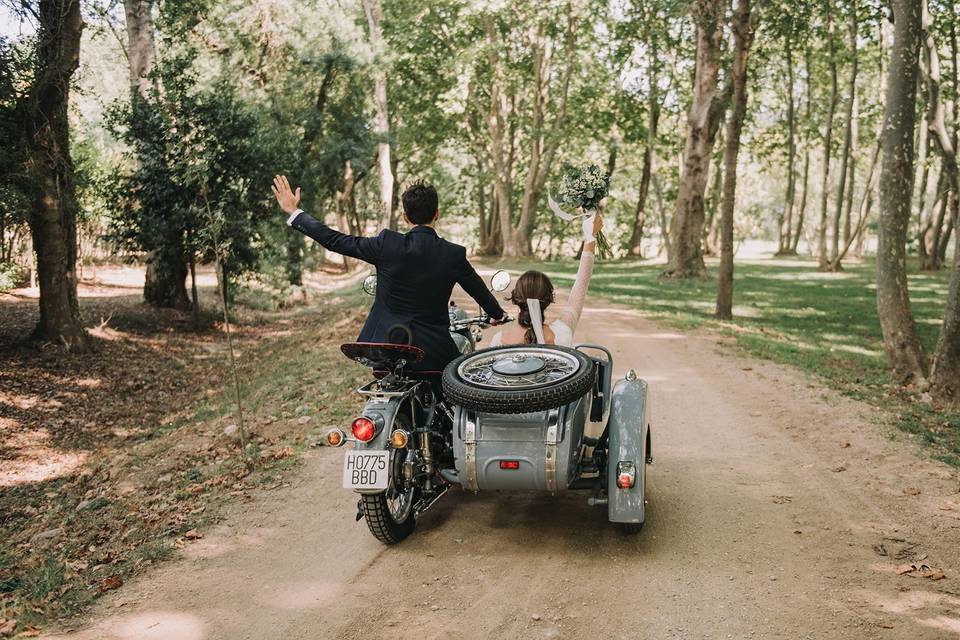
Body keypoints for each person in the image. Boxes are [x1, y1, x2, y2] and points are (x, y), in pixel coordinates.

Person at [271, 175, 505, 371]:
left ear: (405, 217)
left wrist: (294, 212)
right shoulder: (453, 254)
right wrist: (497, 314)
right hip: (433, 352)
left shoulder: (386, 244)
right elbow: (478, 290)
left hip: (386, 349)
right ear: (437, 214)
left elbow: (335, 240)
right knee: (459, 386)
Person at [490, 212, 603, 347]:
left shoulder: (499, 342)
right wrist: (590, 236)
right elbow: (581, 282)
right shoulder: (563, 333)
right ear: (549, 299)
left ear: (515, 299)